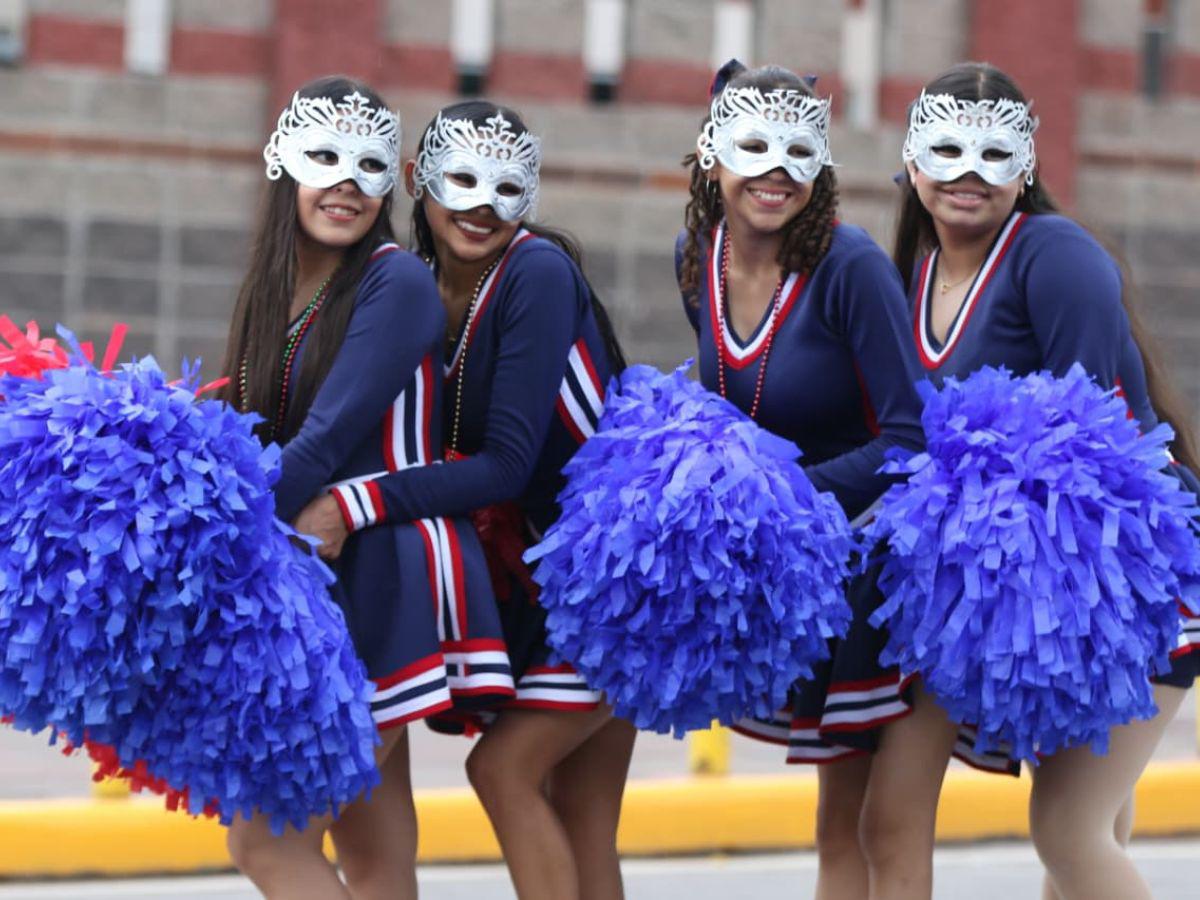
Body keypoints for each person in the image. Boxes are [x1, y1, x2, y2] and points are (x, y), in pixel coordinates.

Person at [861, 61, 1200, 900]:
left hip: (1134, 580)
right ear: (910, 164)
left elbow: (1100, 454)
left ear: (1028, 166)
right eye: (945, 152)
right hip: (1030, 591)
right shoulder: (911, 278)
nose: (968, 174)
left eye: (993, 155)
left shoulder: (1056, 257)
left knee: (1067, 830)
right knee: (1090, 832)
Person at [294, 100, 636, 900]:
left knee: (504, 771)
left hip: (611, 572)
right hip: (548, 573)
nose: (481, 203)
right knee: (580, 816)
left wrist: (355, 504)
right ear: (418, 179)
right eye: (460, 179)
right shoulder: (414, 284)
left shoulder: (536, 271)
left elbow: (506, 466)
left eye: (505, 184)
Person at [220, 76, 514, 900]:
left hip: (389, 572)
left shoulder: (397, 283)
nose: (346, 184)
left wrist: (214, 535)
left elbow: (324, 444)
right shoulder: (273, 290)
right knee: (378, 855)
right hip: (324, 579)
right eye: (325, 160)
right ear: (285, 163)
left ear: (392, 179)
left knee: (265, 841)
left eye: (367, 166)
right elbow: (239, 430)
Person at [675, 60, 926, 900]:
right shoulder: (695, 257)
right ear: (712, 155)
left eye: (796, 150)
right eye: (752, 146)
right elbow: (721, 399)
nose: (774, 170)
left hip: (877, 569)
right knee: (836, 832)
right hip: (790, 573)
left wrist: (779, 494)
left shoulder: (849, 266)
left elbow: (908, 437)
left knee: (870, 830)